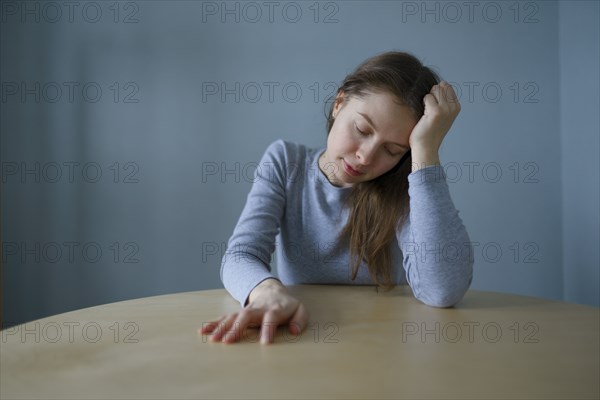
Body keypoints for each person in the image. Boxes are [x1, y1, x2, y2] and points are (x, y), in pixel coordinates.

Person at [200, 51, 473, 344]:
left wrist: (426, 153)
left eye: (392, 150)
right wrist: (268, 292)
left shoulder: (407, 186)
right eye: (362, 129)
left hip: (385, 343)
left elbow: (443, 289)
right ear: (339, 103)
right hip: (301, 338)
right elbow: (241, 255)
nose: (366, 157)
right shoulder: (285, 162)